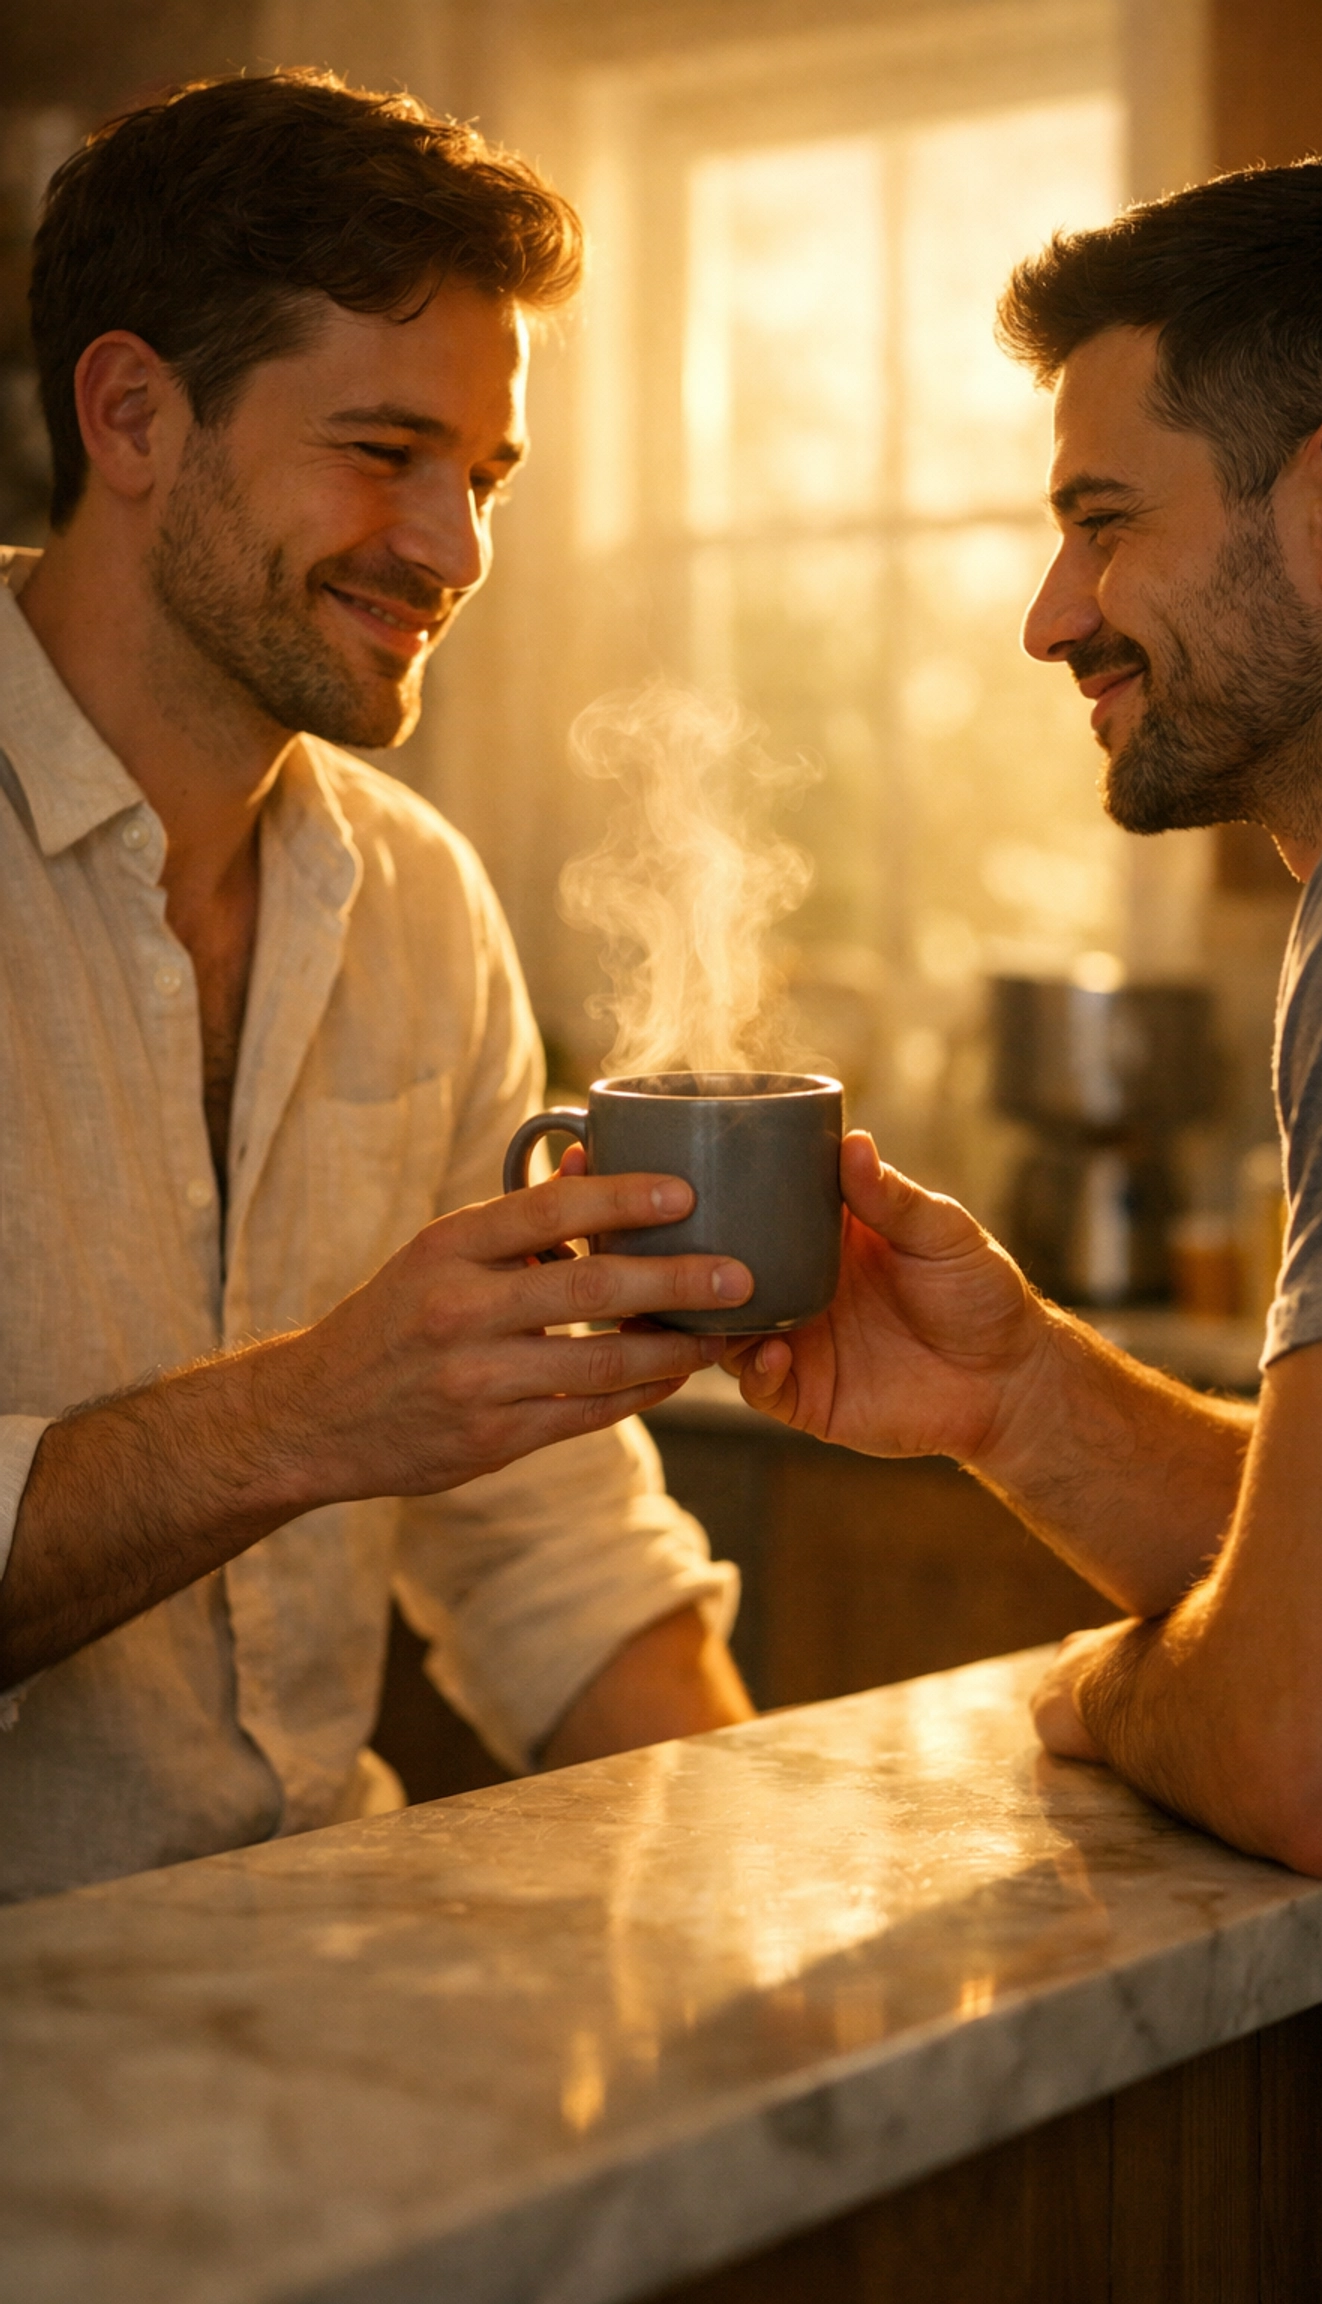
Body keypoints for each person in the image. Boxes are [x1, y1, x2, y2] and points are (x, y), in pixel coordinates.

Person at [725, 158, 1322, 1893]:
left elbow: (1321, 1748)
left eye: (1106, 522)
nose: (1051, 615)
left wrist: (1106, 1694)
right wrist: (1011, 1390)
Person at [0, 69, 754, 1906]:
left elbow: (543, 1542)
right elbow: (351, 1411)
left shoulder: (415, 899)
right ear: (132, 416)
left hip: (317, 1976)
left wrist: (776, 1898)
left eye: (482, 479)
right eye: (382, 453)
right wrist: (305, 1415)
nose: (455, 551)